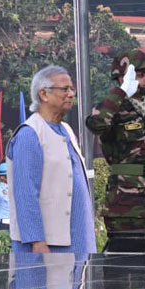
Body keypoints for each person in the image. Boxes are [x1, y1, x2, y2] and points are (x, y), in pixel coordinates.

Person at [7, 65, 96, 256]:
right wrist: (37, 241)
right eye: (64, 89)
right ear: (44, 94)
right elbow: (25, 193)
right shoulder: (30, 134)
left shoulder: (66, 130)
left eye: (72, 89)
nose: (71, 94)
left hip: (78, 241)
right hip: (48, 247)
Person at [85, 49, 145, 232]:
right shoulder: (112, 109)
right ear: (124, 77)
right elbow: (96, 124)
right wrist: (121, 92)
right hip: (124, 205)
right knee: (125, 250)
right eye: (140, 75)